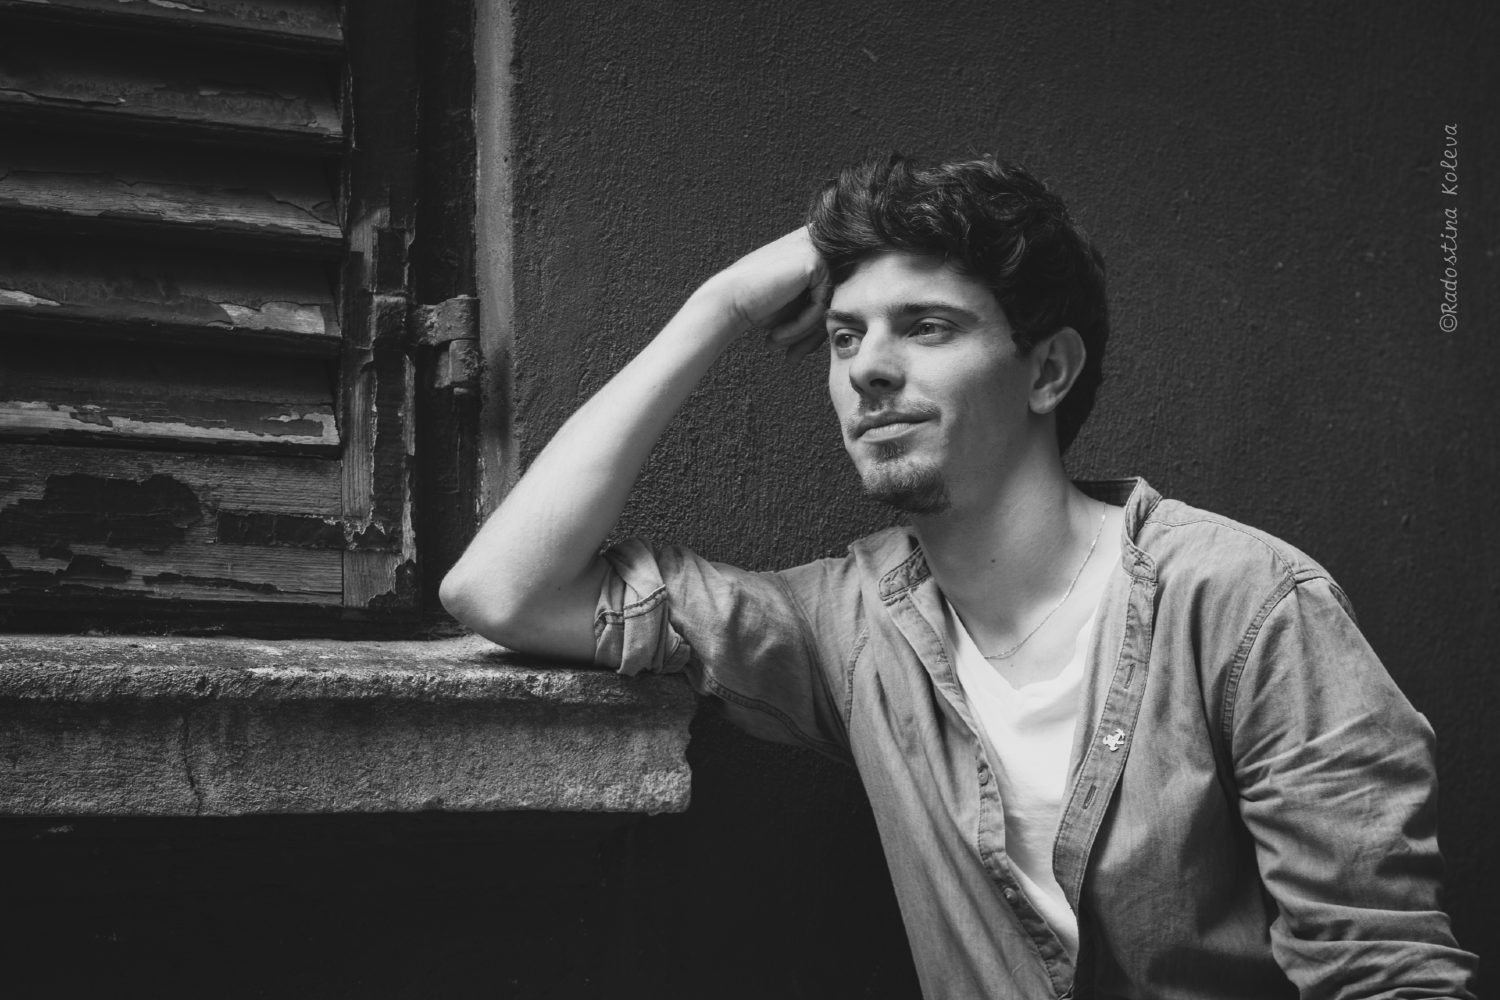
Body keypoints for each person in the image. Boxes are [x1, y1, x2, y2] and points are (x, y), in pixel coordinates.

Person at [440, 154, 1477, 998]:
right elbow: (502, 591)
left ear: (1047, 370)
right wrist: (720, 305)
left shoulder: (1247, 606)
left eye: (925, 326)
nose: (866, 368)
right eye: (844, 336)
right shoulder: (848, 629)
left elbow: (1386, 973)